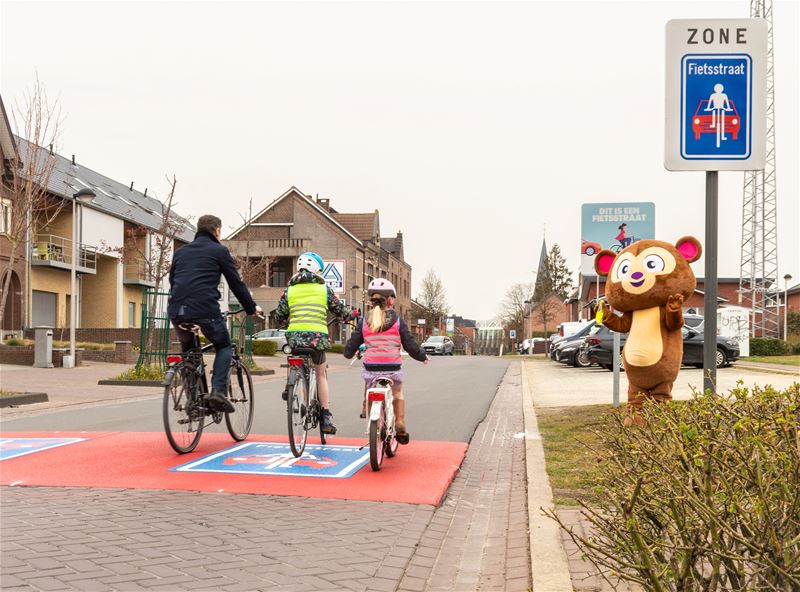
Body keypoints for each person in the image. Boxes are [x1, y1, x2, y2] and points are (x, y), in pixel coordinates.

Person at [167, 214, 263, 413]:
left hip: (177, 310)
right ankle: (218, 392)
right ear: (217, 230)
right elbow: (236, 283)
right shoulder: (219, 251)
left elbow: (173, 280)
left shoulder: (181, 252)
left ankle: (194, 402)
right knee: (223, 345)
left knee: (189, 350)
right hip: (204, 309)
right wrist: (251, 307)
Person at [274, 252, 356, 435]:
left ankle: (293, 382)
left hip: (294, 337)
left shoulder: (289, 290)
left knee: (300, 365)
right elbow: (340, 310)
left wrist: (286, 321)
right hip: (317, 338)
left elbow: (279, 316)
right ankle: (325, 416)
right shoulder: (323, 289)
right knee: (320, 375)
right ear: (318, 270)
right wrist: (351, 315)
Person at [343, 278, 428, 444]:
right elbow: (410, 345)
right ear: (390, 300)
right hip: (393, 368)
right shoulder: (397, 321)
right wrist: (422, 356)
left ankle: (366, 409)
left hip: (371, 368)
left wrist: (348, 353)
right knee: (397, 393)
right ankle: (400, 422)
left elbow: (351, 346)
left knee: (369, 381)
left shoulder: (363, 321)